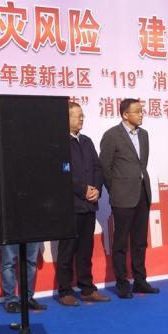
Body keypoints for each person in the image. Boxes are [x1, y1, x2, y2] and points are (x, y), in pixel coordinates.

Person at [100, 98, 159, 299]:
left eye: (142, 111)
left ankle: (140, 281)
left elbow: (142, 164)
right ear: (125, 114)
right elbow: (105, 167)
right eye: (137, 111)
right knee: (120, 242)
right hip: (122, 196)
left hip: (142, 192)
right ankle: (122, 283)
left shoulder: (144, 134)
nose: (141, 114)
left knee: (140, 241)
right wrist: (115, 189)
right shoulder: (112, 135)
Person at [57, 102, 110, 306]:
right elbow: (63, 171)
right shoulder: (60, 142)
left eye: (82, 115)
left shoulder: (87, 141)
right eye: (76, 115)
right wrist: (82, 190)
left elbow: (97, 168)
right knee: (67, 251)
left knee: (85, 251)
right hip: (71, 206)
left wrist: (96, 189)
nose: (81, 119)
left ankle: (87, 289)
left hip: (89, 206)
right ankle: (65, 291)